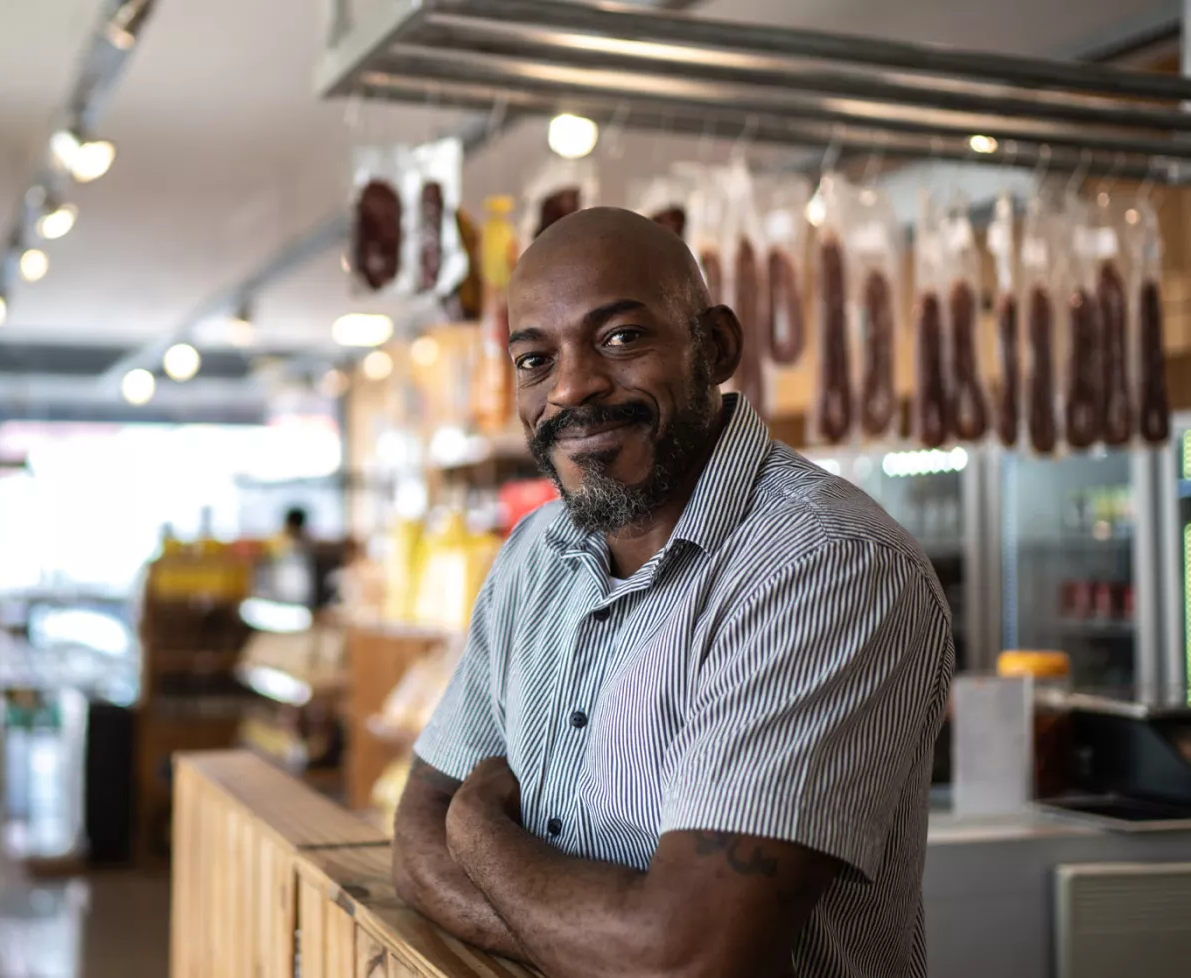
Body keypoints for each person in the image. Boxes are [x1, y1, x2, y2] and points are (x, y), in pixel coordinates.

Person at [393, 208, 953, 978]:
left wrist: (477, 830)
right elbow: (411, 841)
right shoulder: (533, 556)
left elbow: (687, 958)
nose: (573, 388)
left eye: (621, 338)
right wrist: (601, 941)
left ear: (715, 347)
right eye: (534, 360)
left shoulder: (825, 569)